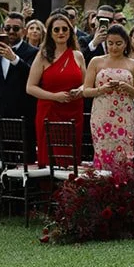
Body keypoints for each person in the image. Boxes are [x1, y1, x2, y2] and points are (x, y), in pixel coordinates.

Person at [82, 25, 134, 170]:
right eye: (110, 43)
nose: (114, 47)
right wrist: (101, 89)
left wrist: (128, 88)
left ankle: (122, 180)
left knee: (123, 152)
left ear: (126, 43)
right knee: (102, 149)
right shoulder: (96, 61)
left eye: (118, 43)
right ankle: (101, 180)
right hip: (102, 114)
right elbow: (86, 91)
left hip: (124, 114)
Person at [26, 14, 86, 167]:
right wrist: (54, 96)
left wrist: (80, 90)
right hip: (50, 111)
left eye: (64, 29)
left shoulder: (78, 56)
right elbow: (30, 87)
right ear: (50, 33)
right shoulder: (42, 56)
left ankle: (71, 183)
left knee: (71, 157)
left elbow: (87, 84)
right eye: (56, 29)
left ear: (70, 32)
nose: (61, 32)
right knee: (51, 158)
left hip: (74, 111)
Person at [0, 14, 40, 163]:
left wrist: (14, 59)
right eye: (7, 28)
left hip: (25, 117)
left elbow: (33, 76)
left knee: (27, 162)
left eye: (16, 28)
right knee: (5, 162)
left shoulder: (33, 52)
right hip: (1, 118)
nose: (11, 31)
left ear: (24, 31)